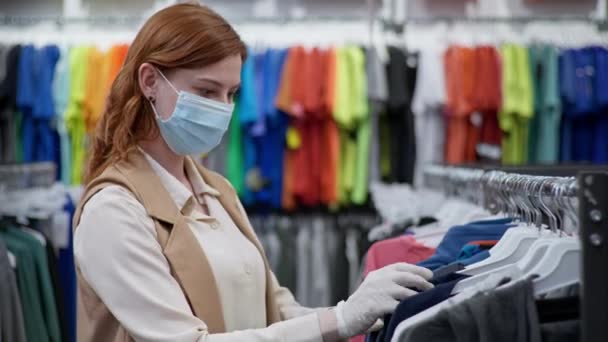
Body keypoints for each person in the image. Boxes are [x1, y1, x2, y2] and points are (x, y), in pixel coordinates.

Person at [73, 3, 434, 342]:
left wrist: (359, 311)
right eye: (206, 91)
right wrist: (338, 320)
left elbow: (275, 311)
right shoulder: (114, 210)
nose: (223, 109)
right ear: (150, 81)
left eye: (231, 93)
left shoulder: (218, 191)